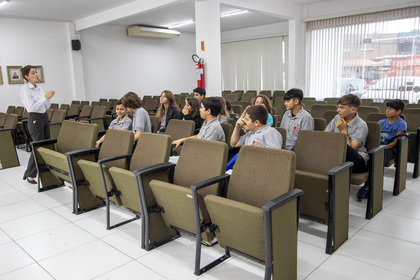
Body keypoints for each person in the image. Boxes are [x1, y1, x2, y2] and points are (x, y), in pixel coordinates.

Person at [324, 94, 369, 198]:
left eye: (342, 108)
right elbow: (325, 135)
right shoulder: (337, 118)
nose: (338, 110)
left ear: (353, 109)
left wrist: (343, 130)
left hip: (357, 161)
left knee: (345, 147)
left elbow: (352, 149)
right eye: (338, 107)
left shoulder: (361, 125)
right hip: (337, 156)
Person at [19, 65, 55, 184]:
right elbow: (31, 107)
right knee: (38, 146)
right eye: (33, 73)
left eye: (36, 72)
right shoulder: (25, 89)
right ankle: (30, 174)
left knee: (46, 144)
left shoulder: (39, 89)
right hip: (34, 118)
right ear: (27, 76)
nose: (36, 75)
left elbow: (46, 106)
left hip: (44, 116)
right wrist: (45, 98)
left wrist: (48, 98)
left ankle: (46, 171)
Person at [379, 99, 407, 165]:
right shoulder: (381, 122)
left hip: (390, 149)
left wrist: (381, 148)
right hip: (379, 146)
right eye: (387, 109)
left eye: (390, 109)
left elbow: (395, 143)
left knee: (378, 160)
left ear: (398, 111)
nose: (387, 111)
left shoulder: (401, 124)